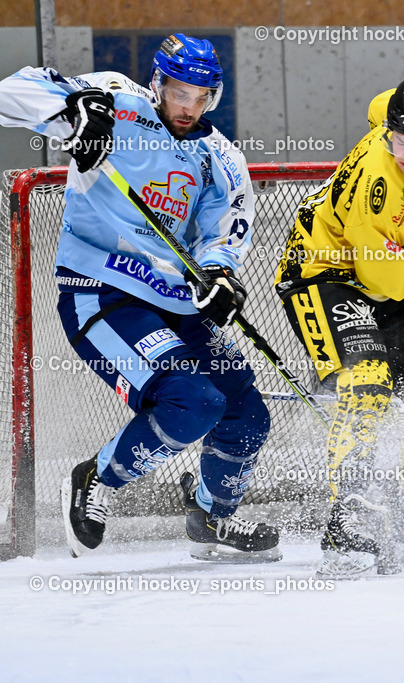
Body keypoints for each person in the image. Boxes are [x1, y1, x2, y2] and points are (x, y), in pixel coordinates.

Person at [0, 33, 280, 561]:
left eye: (201, 97)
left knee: (247, 417)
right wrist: (80, 112)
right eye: (178, 93)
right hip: (104, 292)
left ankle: (212, 517)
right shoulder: (114, 99)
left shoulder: (221, 157)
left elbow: (225, 231)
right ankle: (96, 478)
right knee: (193, 402)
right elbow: (10, 94)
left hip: (178, 303)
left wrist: (219, 275)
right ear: (157, 84)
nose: (188, 107)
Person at [274, 77, 404, 579]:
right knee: (368, 380)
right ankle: (348, 516)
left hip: (388, 270)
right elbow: (376, 270)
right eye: (400, 142)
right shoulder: (378, 179)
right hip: (324, 273)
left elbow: (378, 103)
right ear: (389, 132)